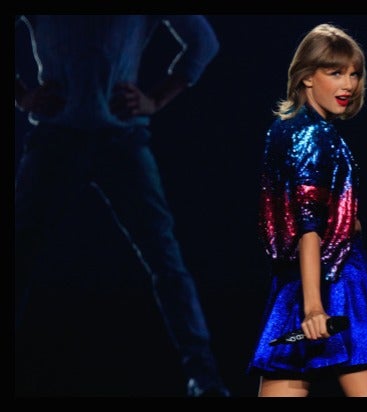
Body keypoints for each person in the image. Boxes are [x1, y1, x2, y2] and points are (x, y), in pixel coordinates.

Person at [14, 15, 229, 397]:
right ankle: (205, 377)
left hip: (119, 141)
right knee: (18, 256)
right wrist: (21, 95)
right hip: (58, 140)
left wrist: (155, 100)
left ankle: (205, 377)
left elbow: (203, 42)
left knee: (165, 259)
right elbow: (205, 42)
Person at [247, 23, 367, 397]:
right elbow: (308, 226)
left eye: (354, 74)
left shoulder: (285, 128)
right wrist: (315, 306)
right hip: (337, 280)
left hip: (294, 283)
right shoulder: (314, 134)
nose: (348, 85)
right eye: (335, 73)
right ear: (306, 76)